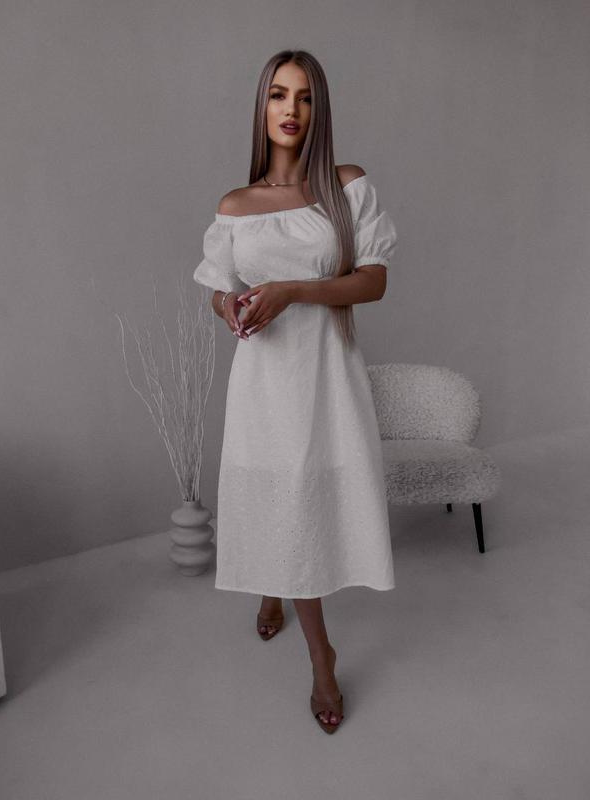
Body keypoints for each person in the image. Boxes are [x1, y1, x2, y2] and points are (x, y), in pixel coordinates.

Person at [193, 49, 398, 734]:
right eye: (279, 95)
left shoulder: (345, 187)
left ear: (319, 110)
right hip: (263, 386)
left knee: (304, 503)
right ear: (261, 106)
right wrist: (228, 304)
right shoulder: (235, 206)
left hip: (325, 380)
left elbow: (373, 281)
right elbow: (218, 288)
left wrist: (291, 291)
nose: (291, 109)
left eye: (305, 97)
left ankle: (316, 651)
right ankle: (300, 628)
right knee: (273, 496)